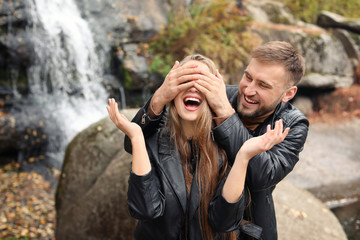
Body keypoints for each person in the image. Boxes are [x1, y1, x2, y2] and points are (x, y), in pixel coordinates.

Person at [124, 41, 309, 240]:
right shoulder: (217, 93)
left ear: (288, 94)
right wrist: (159, 99)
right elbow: (133, 144)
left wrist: (225, 114)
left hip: (248, 225)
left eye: (263, 85)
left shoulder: (294, 125)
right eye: (247, 77)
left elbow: (261, 177)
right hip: (195, 216)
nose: (247, 91)